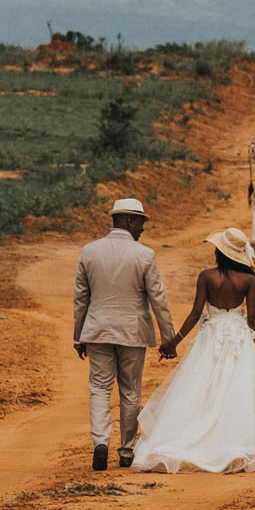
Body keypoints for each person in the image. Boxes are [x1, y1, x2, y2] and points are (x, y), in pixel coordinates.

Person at [131, 227, 255, 473]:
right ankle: (237, 437)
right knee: (240, 389)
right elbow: (253, 319)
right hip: (239, 339)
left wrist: (174, 342)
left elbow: (195, 314)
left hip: (210, 336)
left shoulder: (206, 276)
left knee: (200, 387)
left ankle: (193, 440)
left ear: (220, 253)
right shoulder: (248, 280)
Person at [73, 197, 177, 471]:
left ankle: (100, 443)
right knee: (130, 391)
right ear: (129, 220)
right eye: (141, 221)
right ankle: (127, 450)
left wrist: (78, 335)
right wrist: (169, 336)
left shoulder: (89, 252)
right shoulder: (144, 255)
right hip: (132, 332)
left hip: (96, 331)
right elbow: (158, 298)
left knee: (99, 388)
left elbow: (81, 298)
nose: (143, 227)